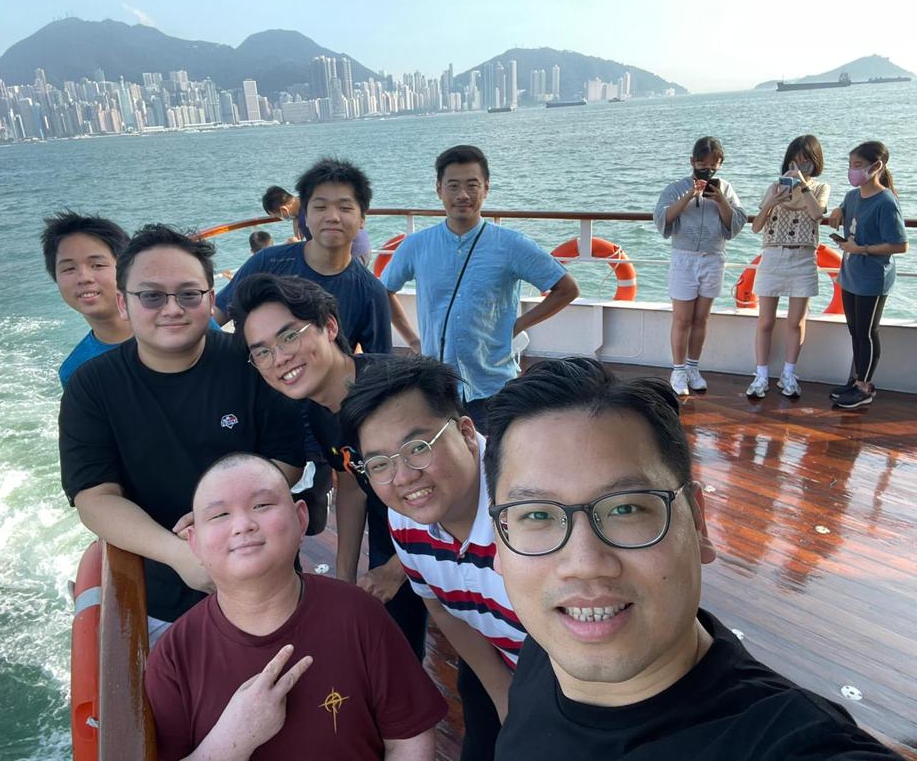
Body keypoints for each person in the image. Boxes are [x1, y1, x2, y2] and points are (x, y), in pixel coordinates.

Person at [483, 357, 903, 760]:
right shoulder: (545, 649)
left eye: (627, 508)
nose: (584, 562)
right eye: (537, 515)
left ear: (698, 522)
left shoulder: (789, 742)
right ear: (500, 544)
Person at [58, 224, 303, 646]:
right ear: (123, 302)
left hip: (267, 574)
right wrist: (182, 553)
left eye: (189, 294)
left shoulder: (252, 364)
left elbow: (288, 458)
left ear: (211, 299)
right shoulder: (90, 387)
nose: (171, 308)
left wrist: (219, 516)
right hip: (160, 592)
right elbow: (95, 497)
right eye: (151, 296)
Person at [145, 452, 445, 761]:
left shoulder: (359, 614)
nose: (243, 525)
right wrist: (229, 741)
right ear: (194, 543)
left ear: (301, 519)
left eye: (261, 505)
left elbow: (409, 737)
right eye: (220, 515)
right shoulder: (175, 654)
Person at [229, 273, 429, 660]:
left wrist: (396, 569)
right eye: (262, 352)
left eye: (289, 336)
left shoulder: (400, 392)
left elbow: (458, 495)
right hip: (396, 529)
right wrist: (345, 581)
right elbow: (352, 482)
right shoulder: (318, 410)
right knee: (400, 643)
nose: (280, 358)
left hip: (459, 543)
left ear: (330, 326)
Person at [339, 354, 527, 761]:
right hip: (510, 669)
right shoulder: (406, 518)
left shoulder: (528, 507)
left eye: (418, 447)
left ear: (465, 431)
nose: (404, 477)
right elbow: (443, 611)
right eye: (380, 463)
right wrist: (504, 699)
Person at [379, 144, 579, 430]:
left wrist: (517, 325)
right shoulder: (416, 245)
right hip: (438, 386)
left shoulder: (510, 244)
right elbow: (384, 290)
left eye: (472, 185)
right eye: (453, 186)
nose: (463, 195)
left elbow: (566, 288)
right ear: (439, 189)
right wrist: (413, 340)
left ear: (486, 188)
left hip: (493, 383)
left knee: (494, 463)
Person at [213, 160, 390, 356]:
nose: (332, 216)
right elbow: (216, 314)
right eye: (320, 207)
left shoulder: (371, 292)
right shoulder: (266, 263)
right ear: (305, 216)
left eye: (345, 208)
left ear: (362, 219)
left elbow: (381, 366)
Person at [654, 136, 747, 396]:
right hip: (684, 257)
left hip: (713, 257)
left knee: (701, 318)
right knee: (682, 318)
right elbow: (662, 219)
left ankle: (693, 368)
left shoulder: (725, 189)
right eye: (702, 164)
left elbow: (736, 223)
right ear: (692, 162)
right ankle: (678, 370)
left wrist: (720, 201)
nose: (708, 170)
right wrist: (688, 196)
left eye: (714, 165)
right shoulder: (676, 188)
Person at [746, 135, 830, 398]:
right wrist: (772, 202)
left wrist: (803, 186)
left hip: (803, 257)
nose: (799, 167)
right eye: (795, 161)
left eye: (805, 162)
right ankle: (760, 376)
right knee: (765, 321)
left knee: (796, 321)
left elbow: (817, 214)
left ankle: (789, 374)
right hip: (773, 256)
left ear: (814, 163)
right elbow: (756, 227)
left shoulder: (819, 188)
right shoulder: (774, 187)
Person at [827, 141, 909, 410]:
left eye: (858, 166)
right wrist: (838, 211)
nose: (852, 171)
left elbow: (899, 244)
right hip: (851, 274)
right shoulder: (853, 196)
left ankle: (865, 387)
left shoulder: (886, 202)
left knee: (867, 332)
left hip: (873, 277)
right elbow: (845, 208)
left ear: (877, 166)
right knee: (855, 331)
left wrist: (861, 249)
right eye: (850, 165)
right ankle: (855, 379)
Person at [40, 210, 131, 386]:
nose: (83, 277)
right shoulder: (76, 373)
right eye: (68, 269)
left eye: (97, 265)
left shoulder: (180, 332)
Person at [261, 184, 372, 265]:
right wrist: (296, 219)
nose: (281, 218)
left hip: (353, 256)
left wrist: (295, 245)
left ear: (284, 210)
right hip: (364, 247)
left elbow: (318, 251)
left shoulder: (306, 219)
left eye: (278, 216)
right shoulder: (307, 198)